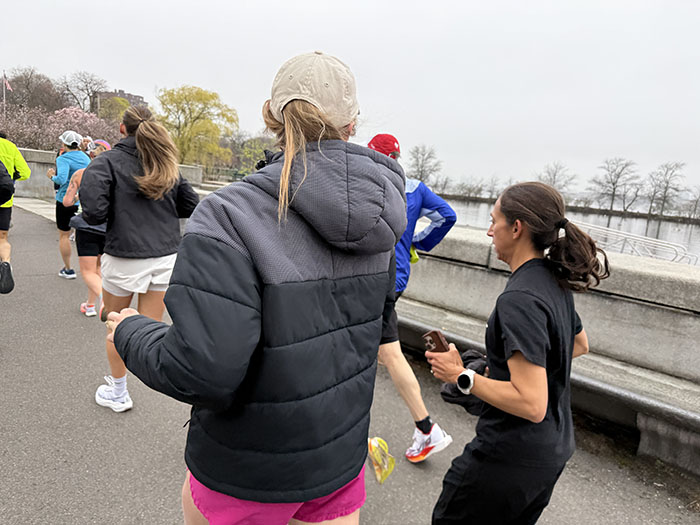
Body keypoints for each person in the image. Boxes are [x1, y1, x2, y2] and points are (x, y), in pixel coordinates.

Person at [106, 51, 406, 525]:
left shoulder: (230, 215)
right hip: (337, 461)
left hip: (248, 471)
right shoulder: (386, 217)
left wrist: (130, 331)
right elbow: (374, 330)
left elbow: (202, 369)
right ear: (353, 123)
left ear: (271, 117)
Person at [427, 181, 610, 524]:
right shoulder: (553, 279)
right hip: (551, 451)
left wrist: (460, 376)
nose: (489, 231)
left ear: (516, 228)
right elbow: (579, 343)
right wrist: (511, 370)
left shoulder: (519, 300)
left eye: (494, 221)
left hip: (508, 458)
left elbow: (531, 403)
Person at [80, 106, 199, 412]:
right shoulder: (165, 162)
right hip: (166, 258)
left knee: (115, 324)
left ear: (123, 128)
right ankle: (150, 381)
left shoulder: (106, 162)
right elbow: (190, 204)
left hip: (124, 256)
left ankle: (119, 392)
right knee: (146, 329)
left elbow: (94, 213)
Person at [368, 133, 458, 463]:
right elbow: (447, 216)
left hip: (371, 277)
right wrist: (417, 242)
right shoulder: (415, 188)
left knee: (385, 352)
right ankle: (425, 428)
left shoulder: (369, 180)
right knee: (384, 350)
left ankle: (425, 428)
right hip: (398, 276)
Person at [63, 140, 111, 317]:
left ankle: (104, 300)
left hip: (87, 225)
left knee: (88, 271)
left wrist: (78, 196)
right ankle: (90, 305)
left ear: (90, 155)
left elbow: (67, 202)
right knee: (98, 270)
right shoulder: (113, 176)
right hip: (108, 227)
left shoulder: (80, 174)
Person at [46, 131, 90, 279]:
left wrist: (51, 176)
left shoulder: (63, 158)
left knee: (64, 235)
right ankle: (90, 270)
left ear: (64, 144)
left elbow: (62, 179)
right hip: (83, 199)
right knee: (83, 236)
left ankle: (68, 269)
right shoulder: (86, 158)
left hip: (66, 200)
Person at [0, 132, 32, 294]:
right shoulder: (10, 147)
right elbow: (25, 172)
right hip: (4, 200)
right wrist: (12, 176)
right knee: (2, 238)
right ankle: (5, 262)